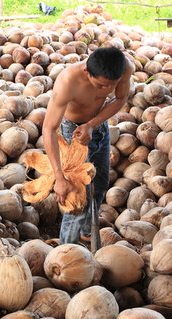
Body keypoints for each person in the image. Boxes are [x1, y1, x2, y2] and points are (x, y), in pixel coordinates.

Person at [42, 46, 133, 244]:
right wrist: (59, 177)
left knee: (99, 185)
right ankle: (66, 251)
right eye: (100, 86)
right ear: (86, 71)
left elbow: (121, 97)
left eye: (111, 85)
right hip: (71, 131)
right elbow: (48, 129)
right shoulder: (68, 82)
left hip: (98, 126)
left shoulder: (125, 68)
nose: (106, 90)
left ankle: (85, 230)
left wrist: (91, 125)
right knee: (77, 195)